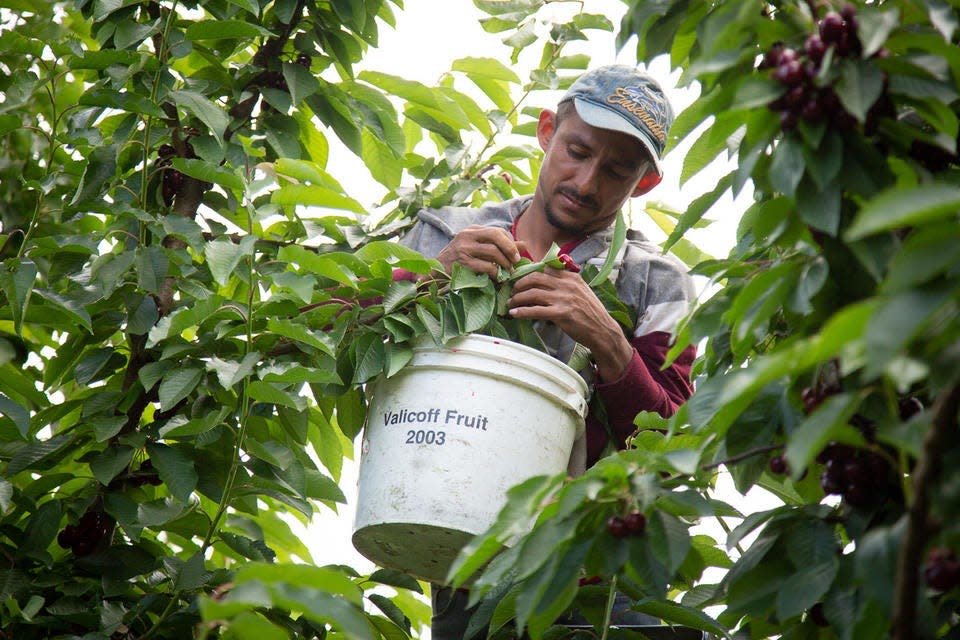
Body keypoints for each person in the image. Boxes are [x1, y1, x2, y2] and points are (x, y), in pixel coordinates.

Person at [397, 64, 698, 639]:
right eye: (577, 151)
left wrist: (611, 343)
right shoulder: (445, 235)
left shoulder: (655, 282)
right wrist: (428, 280)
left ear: (645, 185)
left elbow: (671, 442)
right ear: (544, 132)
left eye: (615, 171)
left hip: (607, 581)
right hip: (470, 561)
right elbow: (344, 338)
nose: (586, 183)